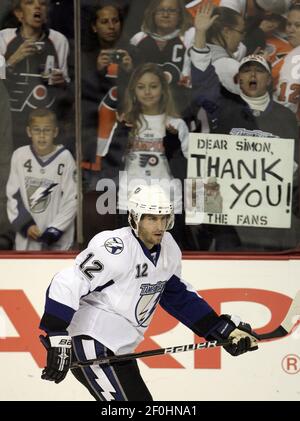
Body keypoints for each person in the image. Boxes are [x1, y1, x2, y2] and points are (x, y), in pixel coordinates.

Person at [39, 184, 258, 401]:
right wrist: (57, 335)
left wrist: (221, 329)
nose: (159, 225)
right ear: (135, 218)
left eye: (163, 218)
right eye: (151, 218)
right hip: (92, 342)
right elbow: (67, 282)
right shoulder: (115, 247)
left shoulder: (169, 248)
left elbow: (177, 295)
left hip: (119, 348)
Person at [189, 2, 300, 250]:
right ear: (237, 79)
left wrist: (289, 171)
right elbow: (201, 84)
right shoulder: (224, 110)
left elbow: (296, 164)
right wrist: (200, 35)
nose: (252, 75)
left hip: (272, 224)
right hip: (230, 226)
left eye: (258, 71)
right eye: (246, 70)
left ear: (269, 79)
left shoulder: (284, 117)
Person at [0, 0, 70, 149]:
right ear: (19, 13)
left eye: (43, 3)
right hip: (11, 122)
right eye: (30, 2)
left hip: (45, 126)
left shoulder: (59, 40)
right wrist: (12, 60)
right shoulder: (4, 38)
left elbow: (68, 89)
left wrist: (61, 82)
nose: (38, 6)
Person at [6, 108, 77, 251]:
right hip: (28, 240)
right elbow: (13, 195)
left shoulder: (65, 158)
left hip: (58, 241)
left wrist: (56, 229)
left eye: (47, 130)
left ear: (55, 132)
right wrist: (26, 225)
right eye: (37, 130)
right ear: (29, 132)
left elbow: (72, 198)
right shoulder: (20, 156)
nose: (42, 136)